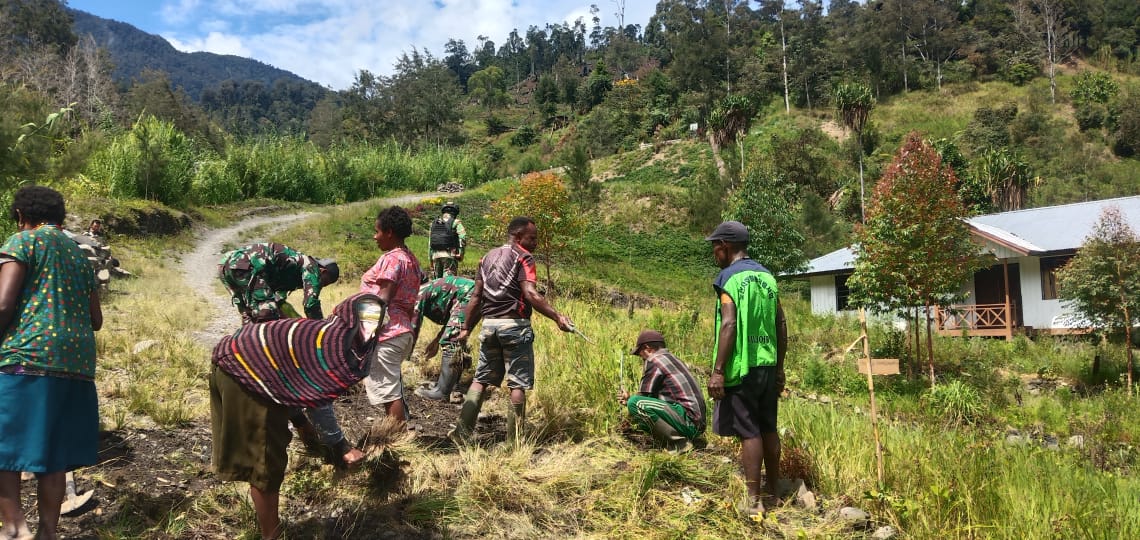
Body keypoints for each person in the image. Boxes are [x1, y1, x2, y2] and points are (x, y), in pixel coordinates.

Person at [211, 292, 383, 540]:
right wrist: (340, 445)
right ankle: (272, 535)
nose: (368, 332)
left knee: (266, 450)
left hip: (243, 362)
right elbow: (317, 400)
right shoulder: (330, 347)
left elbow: (288, 380)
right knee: (265, 460)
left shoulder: (327, 333)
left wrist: (300, 422)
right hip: (244, 370)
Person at [0, 186, 103, 540]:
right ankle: (48, 531)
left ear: (20, 216)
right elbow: (96, 319)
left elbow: (3, 304)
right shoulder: (79, 255)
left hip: (27, 356)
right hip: (76, 363)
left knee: (4, 443)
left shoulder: (22, 242)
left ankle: (14, 528)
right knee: (54, 453)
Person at [450, 216, 574, 445]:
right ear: (518, 236)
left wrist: (466, 327)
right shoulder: (524, 257)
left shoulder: (486, 258)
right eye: (532, 238)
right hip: (514, 327)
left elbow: (476, 297)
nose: (535, 243)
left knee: (480, 380)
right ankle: (514, 443)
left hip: (489, 327)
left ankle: (461, 432)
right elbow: (530, 294)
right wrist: (558, 317)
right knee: (516, 384)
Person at [706, 220, 787, 518]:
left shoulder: (729, 278)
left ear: (725, 246)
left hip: (741, 367)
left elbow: (728, 323)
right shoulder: (767, 277)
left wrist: (718, 371)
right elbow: (781, 324)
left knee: (748, 431)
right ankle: (774, 492)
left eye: (715, 246)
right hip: (767, 363)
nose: (714, 252)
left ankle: (754, 502)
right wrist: (780, 368)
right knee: (768, 427)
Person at [361, 206, 424, 426]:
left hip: (389, 333)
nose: (374, 236)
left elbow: (382, 300)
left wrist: (366, 332)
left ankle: (396, 440)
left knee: (388, 392)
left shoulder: (393, 259)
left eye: (377, 231)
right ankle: (397, 434)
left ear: (389, 232)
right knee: (392, 387)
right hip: (402, 331)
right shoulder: (411, 259)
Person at [619, 329, 706, 454]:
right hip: (696, 424)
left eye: (640, 354)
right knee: (635, 402)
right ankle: (679, 439)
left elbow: (642, 398)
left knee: (635, 403)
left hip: (688, 421)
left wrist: (628, 400)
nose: (641, 358)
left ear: (647, 348)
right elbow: (654, 399)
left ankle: (679, 444)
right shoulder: (674, 359)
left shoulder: (654, 360)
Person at [218, 242, 340, 325]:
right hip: (245, 266)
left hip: (227, 266)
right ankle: (262, 351)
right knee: (267, 313)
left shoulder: (294, 268)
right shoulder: (311, 268)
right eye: (325, 282)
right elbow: (310, 304)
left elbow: (279, 299)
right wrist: (321, 328)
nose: (321, 286)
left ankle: (245, 347)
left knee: (249, 313)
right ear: (323, 271)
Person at [411, 275, 475, 402]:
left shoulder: (418, 293)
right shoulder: (431, 288)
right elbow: (451, 324)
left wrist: (405, 355)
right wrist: (436, 341)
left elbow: (413, 325)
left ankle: (442, 392)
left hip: (469, 295)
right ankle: (451, 387)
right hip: (474, 295)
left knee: (452, 341)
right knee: (457, 339)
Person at [427, 201, 466, 279]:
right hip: (450, 255)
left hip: (436, 256)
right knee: (448, 282)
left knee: (437, 284)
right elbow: (463, 237)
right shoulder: (456, 222)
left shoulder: (434, 224)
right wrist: (461, 254)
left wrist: (431, 261)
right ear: (455, 213)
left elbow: (430, 243)